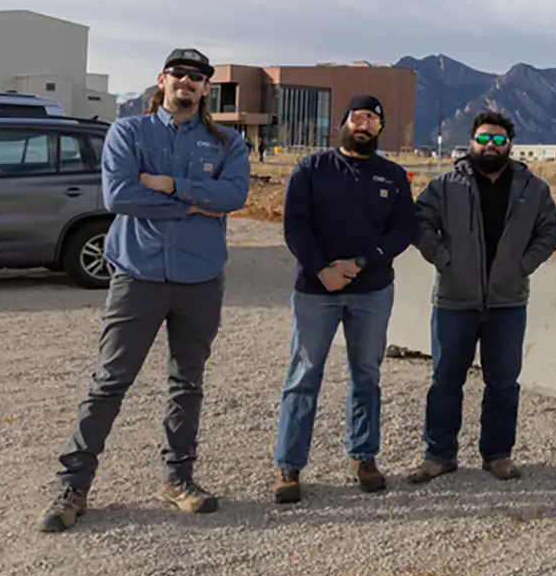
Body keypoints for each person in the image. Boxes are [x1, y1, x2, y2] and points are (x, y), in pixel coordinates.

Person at [38, 48, 249, 532]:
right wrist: (196, 202)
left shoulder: (228, 142)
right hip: (139, 277)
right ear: (162, 80)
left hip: (199, 279)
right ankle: (73, 486)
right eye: (180, 74)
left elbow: (235, 196)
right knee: (110, 382)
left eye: (197, 78)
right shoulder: (129, 132)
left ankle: (177, 479)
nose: (188, 83)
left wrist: (168, 184)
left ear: (205, 89)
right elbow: (120, 196)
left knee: (187, 383)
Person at [270, 95, 417, 503]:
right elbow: (295, 226)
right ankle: (289, 465)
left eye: (373, 117)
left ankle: (364, 456)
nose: (364, 123)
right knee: (303, 376)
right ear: (344, 122)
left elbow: (403, 230)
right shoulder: (312, 169)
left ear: (380, 128)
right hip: (316, 292)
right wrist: (322, 269)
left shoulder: (392, 175)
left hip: (371, 291)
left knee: (366, 375)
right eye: (358, 116)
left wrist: (361, 262)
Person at [408, 111, 556, 483]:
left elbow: (551, 229)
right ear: (471, 141)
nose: (490, 146)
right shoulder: (446, 185)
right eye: (483, 138)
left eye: (498, 140)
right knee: (446, 380)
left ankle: (497, 454)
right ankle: (439, 453)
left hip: (507, 301)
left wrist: (524, 264)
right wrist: (444, 259)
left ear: (509, 144)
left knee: (504, 382)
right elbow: (419, 222)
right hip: (454, 300)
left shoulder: (531, 188)